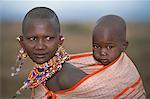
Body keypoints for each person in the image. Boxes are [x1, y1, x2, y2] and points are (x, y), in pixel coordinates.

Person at [41, 15, 146, 99]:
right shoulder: (88, 63)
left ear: (124, 46)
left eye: (110, 47)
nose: (102, 52)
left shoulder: (126, 70)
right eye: (96, 46)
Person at [12, 7, 87, 99]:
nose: (40, 46)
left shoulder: (69, 77)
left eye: (48, 38)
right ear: (22, 42)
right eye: (32, 39)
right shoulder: (37, 76)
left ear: (60, 41)